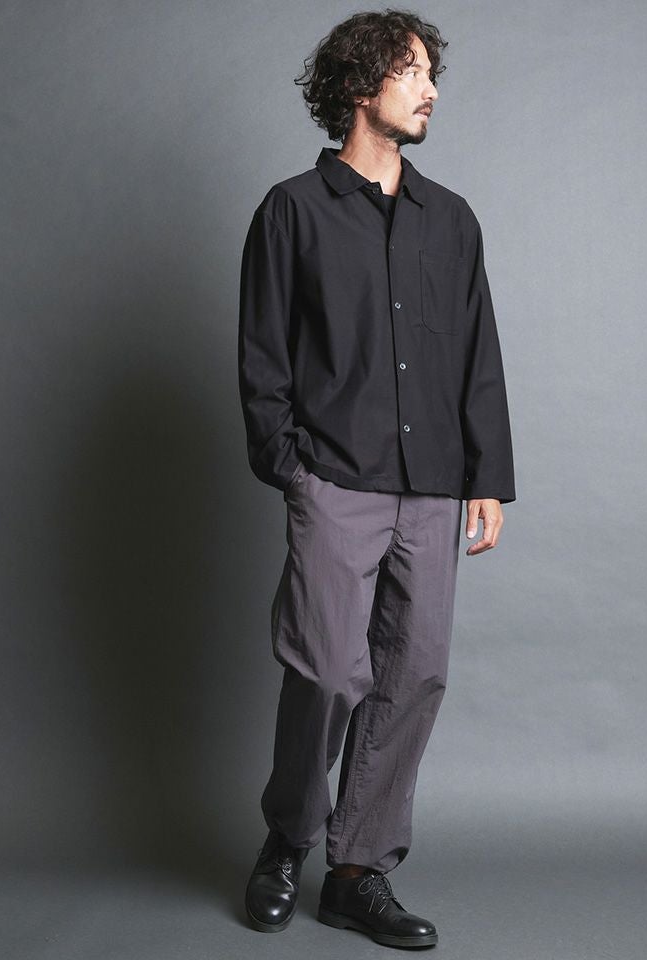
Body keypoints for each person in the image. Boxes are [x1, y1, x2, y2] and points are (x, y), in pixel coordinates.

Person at [237, 8, 515, 949]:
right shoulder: (292, 211)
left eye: (432, 73)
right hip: (335, 476)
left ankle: (357, 872)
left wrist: (486, 476)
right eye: (411, 71)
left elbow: (478, 353)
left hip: (433, 483)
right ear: (361, 85)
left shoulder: (453, 221)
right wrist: (294, 470)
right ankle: (288, 838)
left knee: (414, 674)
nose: (430, 89)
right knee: (326, 669)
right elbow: (263, 357)